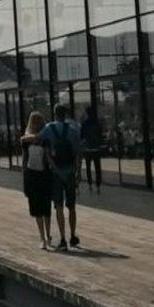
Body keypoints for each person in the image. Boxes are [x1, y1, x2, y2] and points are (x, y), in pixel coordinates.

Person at [39, 103, 80, 249]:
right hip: (70, 172)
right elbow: (77, 153)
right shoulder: (72, 130)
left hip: (56, 173)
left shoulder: (49, 128)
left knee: (59, 206)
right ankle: (73, 235)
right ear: (65, 114)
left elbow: (38, 138)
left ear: (55, 113)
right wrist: (78, 173)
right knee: (72, 206)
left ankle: (62, 238)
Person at [20, 111, 53, 249]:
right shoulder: (45, 139)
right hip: (44, 175)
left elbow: (24, 160)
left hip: (31, 175)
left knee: (37, 209)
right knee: (46, 208)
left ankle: (42, 238)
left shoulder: (26, 141)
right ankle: (48, 235)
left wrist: (24, 178)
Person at [78, 104, 103, 192]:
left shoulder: (84, 124)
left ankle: (90, 184)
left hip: (88, 148)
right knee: (97, 167)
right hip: (96, 147)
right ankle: (98, 185)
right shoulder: (97, 123)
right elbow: (100, 136)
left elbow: (81, 136)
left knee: (88, 167)